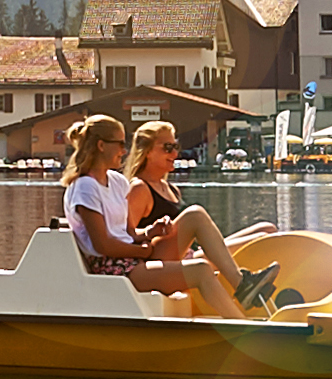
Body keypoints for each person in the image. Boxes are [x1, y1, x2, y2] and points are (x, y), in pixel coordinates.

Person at [64, 113, 250, 317]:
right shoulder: (85, 187)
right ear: (101, 146)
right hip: (115, 268)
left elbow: (128, 232)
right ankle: (244, 329)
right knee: (201, 270)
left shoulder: (116, 181)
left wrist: (149, 232)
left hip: (132, 259)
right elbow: (103, 246)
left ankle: (243, 301)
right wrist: (141, 252)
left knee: (197, 230)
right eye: (119, 144)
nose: (124, 151)